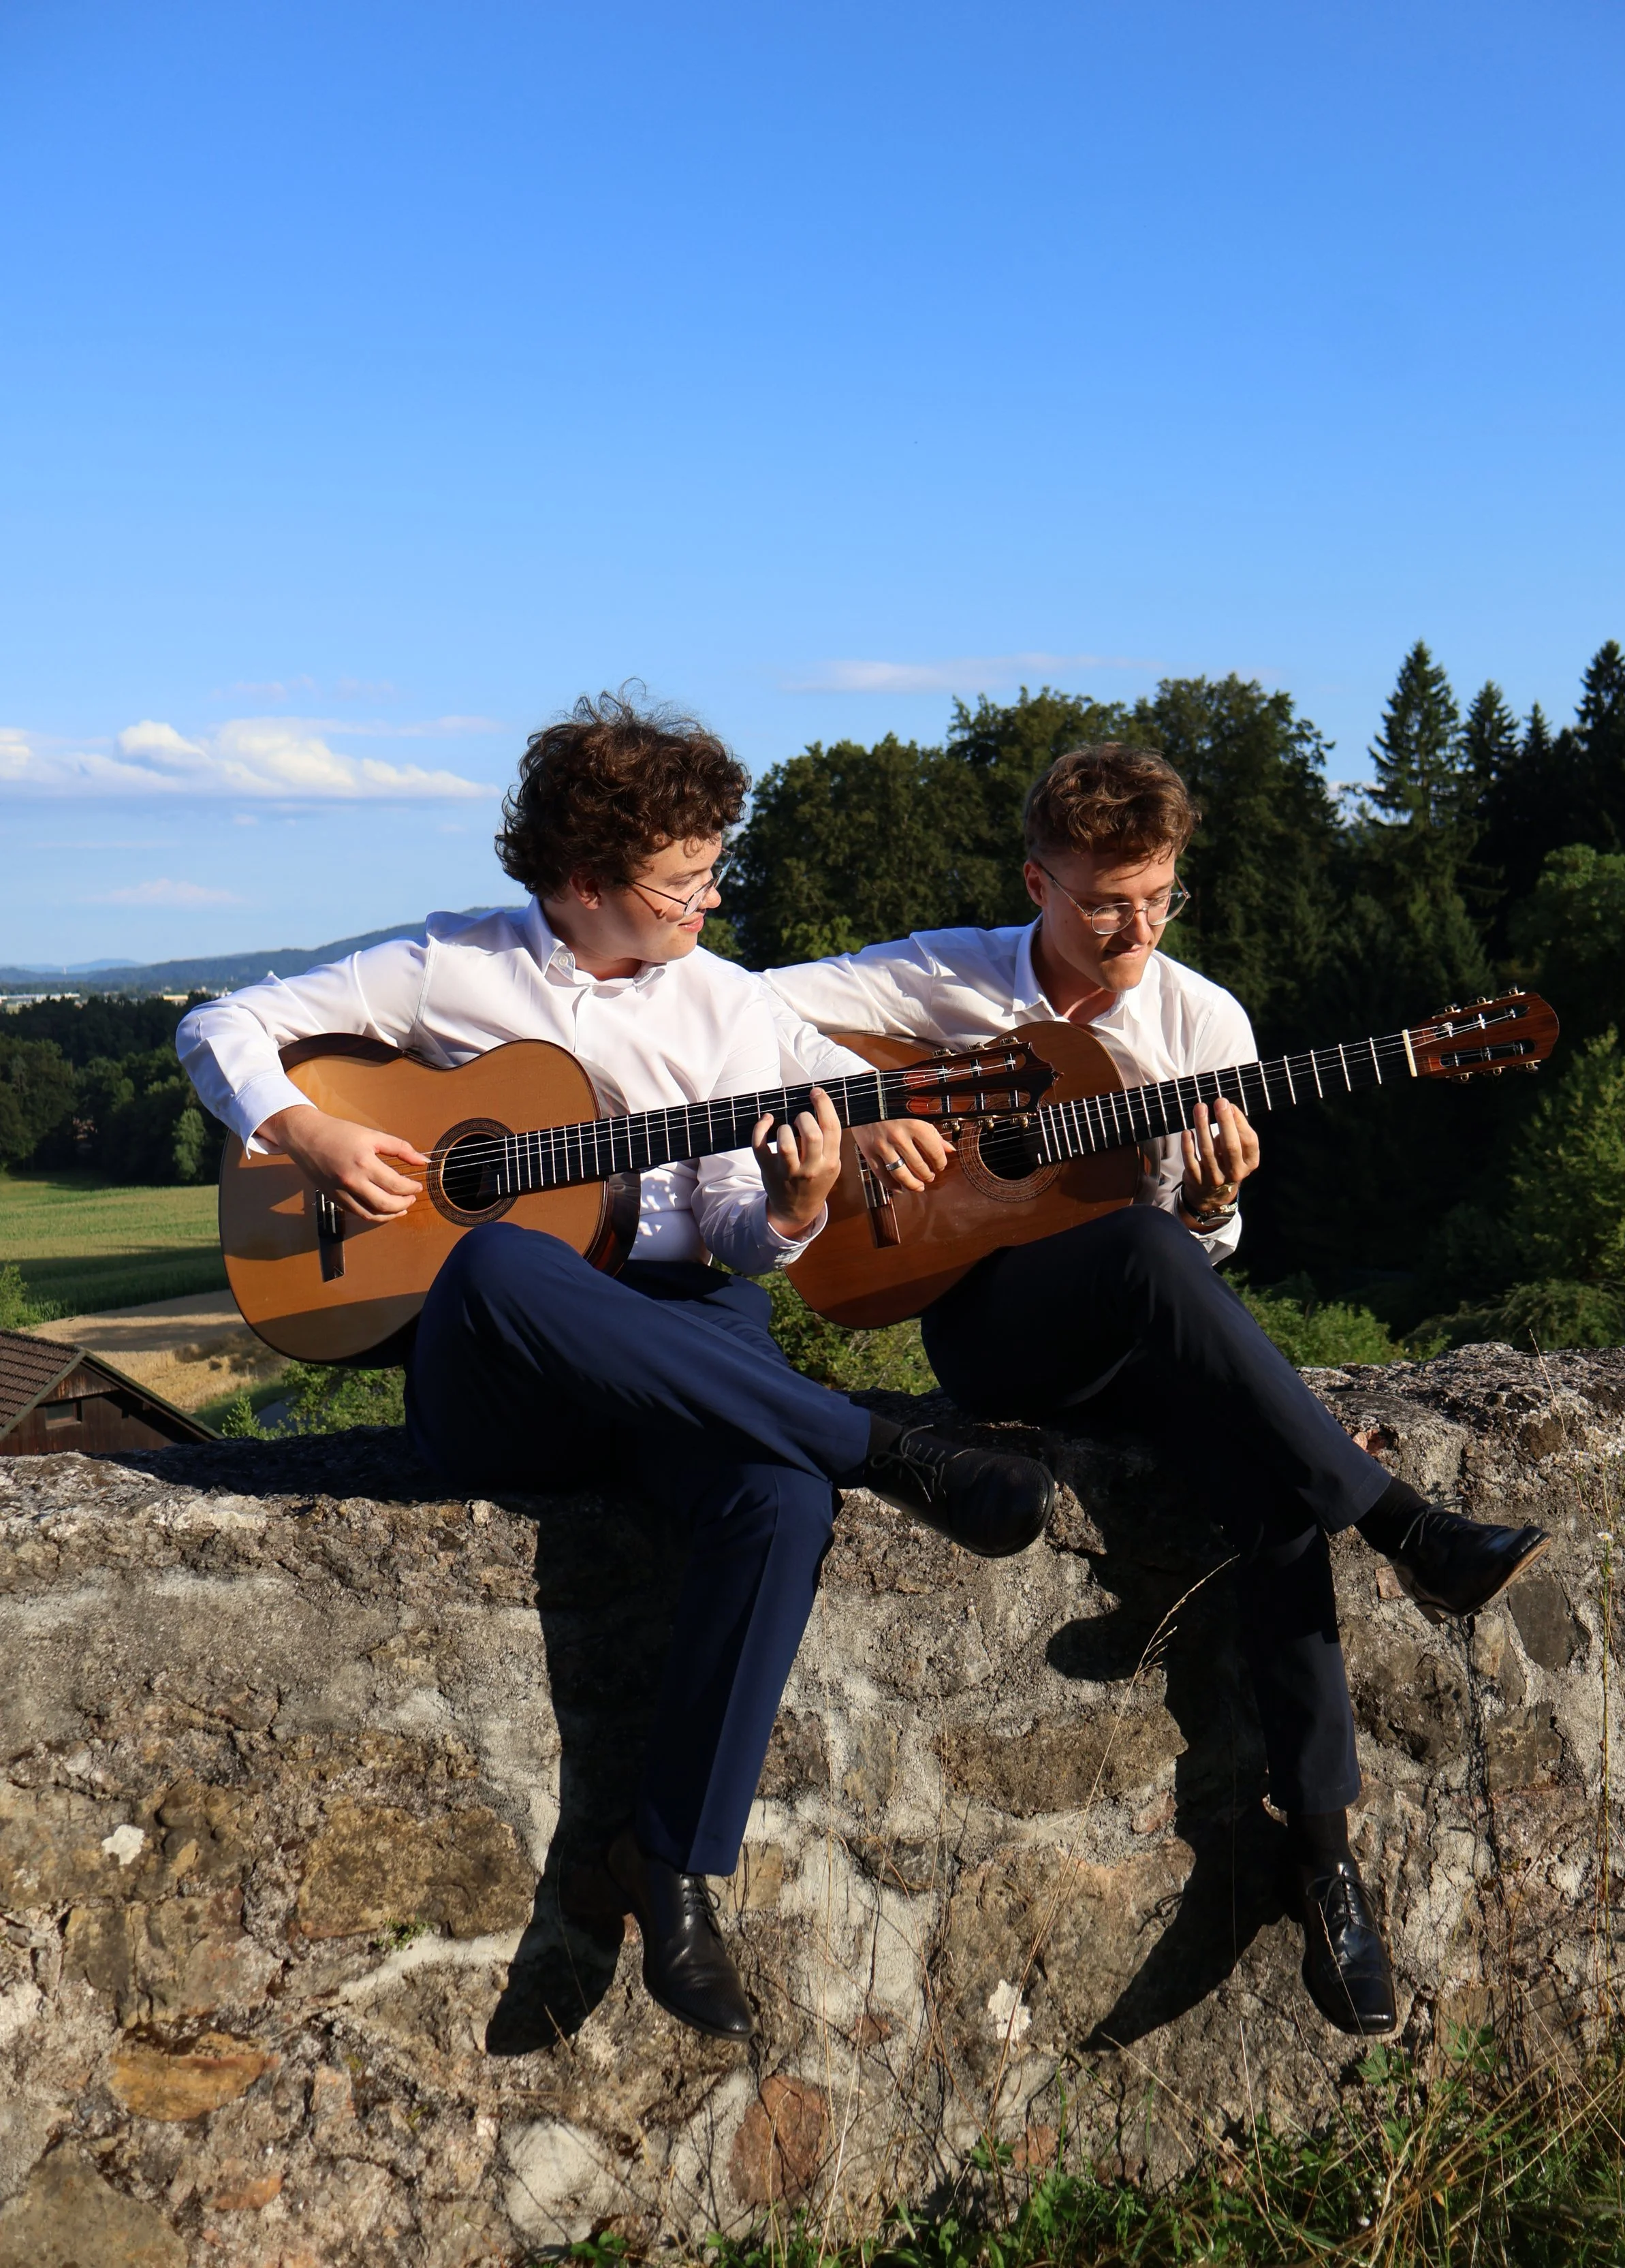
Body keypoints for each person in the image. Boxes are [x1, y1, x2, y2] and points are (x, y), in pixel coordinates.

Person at [176, 690, 1054, 2042]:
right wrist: (309, 1135)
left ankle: (680, 1869)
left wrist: (798, 1202)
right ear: (581, 883)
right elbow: (219, 1026)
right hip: (505, 1368)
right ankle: (886, 1446)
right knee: (502, 1262)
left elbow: (730, 1237)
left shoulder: (731, 1012)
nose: (711, 896)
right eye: (683, 876)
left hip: (680, 1337)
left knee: (776, 1501)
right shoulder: (446, 967)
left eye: (715, 866)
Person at [762, 741, 1551, 2037]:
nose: (1133, 929)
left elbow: (1200, 1256)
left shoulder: (1208, 1026)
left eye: (1157, 897)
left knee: (1273, 1478)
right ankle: (1406, 1526)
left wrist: (1216, 1198)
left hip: (1147, 1348)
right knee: (1136, 1253)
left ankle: (1327, 1855)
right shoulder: (939, 972)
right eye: (1102, 902)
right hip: (991, 1333)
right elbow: (739, 1007)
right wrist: (862, 1113)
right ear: (1038, 881)